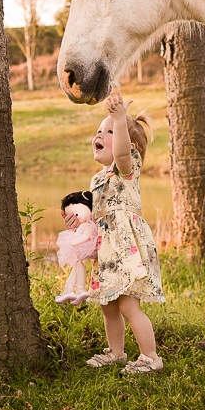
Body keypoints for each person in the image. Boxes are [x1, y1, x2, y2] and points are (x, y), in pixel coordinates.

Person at [64, 88, 165, 375]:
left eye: (107, 131)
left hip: (126, 248)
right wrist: (78, 223)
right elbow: (93, 216)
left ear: (130, 144)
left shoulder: (127, 166)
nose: (99, 135)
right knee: (108, 306)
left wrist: (119, 119)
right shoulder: (98, 177)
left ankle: (151, 357)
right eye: (99, 130)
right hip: (107, 251)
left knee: (128, 307)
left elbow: (120, 151)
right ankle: (117, 353)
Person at [54, 191, 99, 306]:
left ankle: (75, 290)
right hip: (81, 247)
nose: (75, 218)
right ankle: (74, 291)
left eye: (77, 214)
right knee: (77, 264)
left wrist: (76, 241)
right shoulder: (82, 225)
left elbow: (86, 235)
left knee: (78, 264)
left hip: (85, 246)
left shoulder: (88, 225)